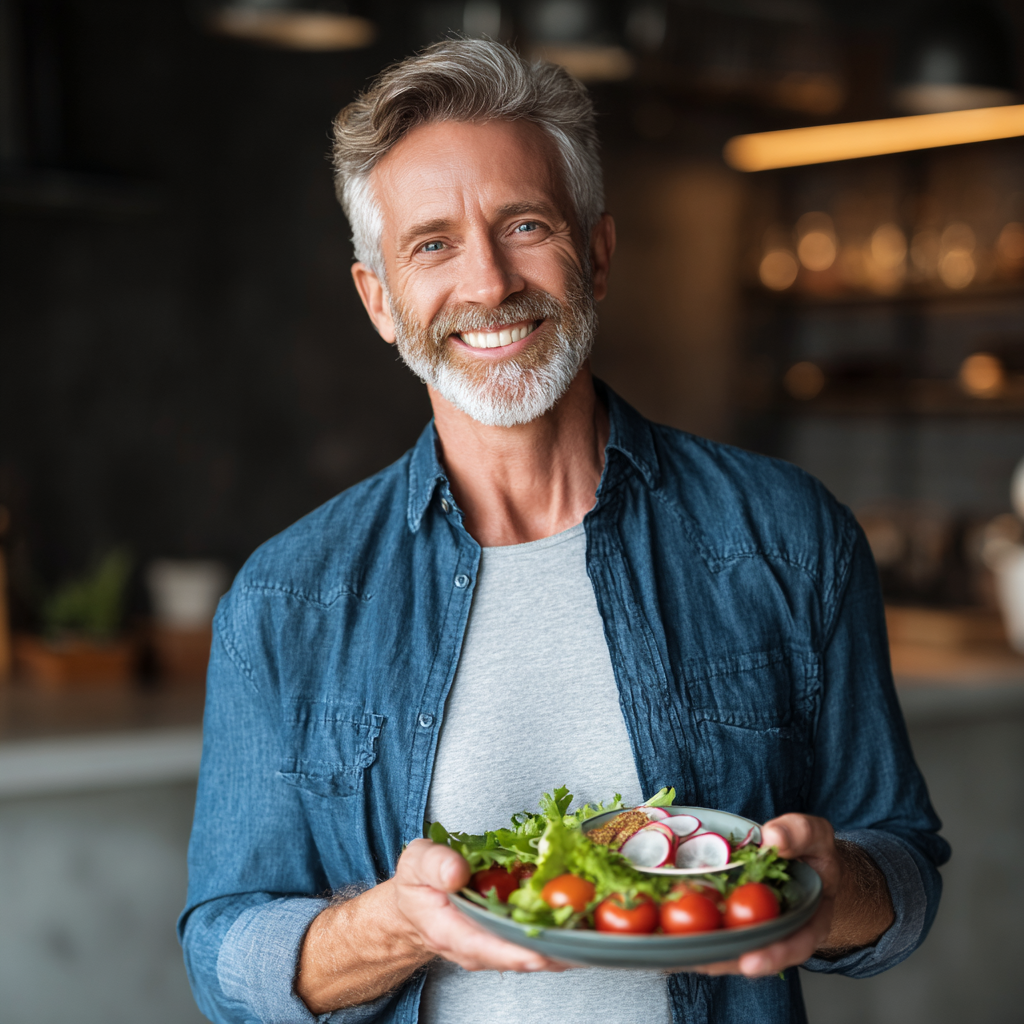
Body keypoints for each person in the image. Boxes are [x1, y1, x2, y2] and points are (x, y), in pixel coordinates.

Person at [179, 38, 949, 1024]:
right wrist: (400, 923)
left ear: (595, 249)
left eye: (524, 223)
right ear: (379, 299)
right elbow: (221, 959)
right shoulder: (288, 597)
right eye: (431, 244)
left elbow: (906, 869)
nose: (490, 283)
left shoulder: (787, 537)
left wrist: (831, 891)